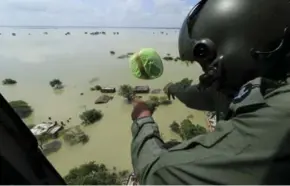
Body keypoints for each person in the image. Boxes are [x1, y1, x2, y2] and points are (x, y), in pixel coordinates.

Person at [130, 0, 290, 184]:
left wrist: (142, 119)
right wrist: (173, 88)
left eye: (208, 69)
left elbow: (159, 171)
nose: (207, 76)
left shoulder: (277, 121)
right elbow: (203, 95)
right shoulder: (266, 86)